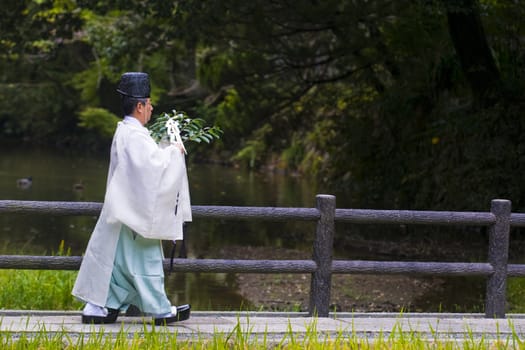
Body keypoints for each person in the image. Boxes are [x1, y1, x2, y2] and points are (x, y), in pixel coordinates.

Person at [72, 72, 192, 325]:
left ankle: (101, 307)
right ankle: (159, 310)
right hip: (133, 214)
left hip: (124, 211)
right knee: (145, 260)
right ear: (139, 106)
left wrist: (165, 151)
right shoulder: (134, 135)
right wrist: (174, 152)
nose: (151, 108)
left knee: (113, 262)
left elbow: (144, 166)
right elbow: (152, 168)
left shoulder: (128, 132)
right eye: (148, 104)